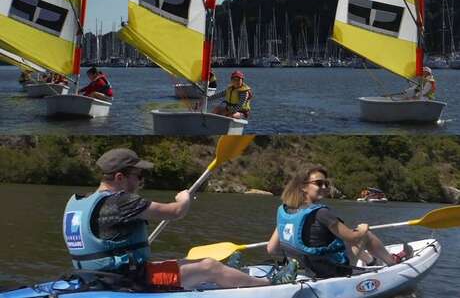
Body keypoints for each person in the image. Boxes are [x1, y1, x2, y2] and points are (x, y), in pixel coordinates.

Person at [62, 148, 288, 290]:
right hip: (130, 282)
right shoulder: (121, 201)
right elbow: (176, 211)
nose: (141, 182)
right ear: (120, 177)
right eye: (138, 176)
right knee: (209, 266)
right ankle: (268, 285)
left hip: (93, 278)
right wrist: (184, 197)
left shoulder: (79, 203)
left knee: (186, 262)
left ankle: (232, 275)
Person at [267, 166, 412, 279]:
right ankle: (393, 263)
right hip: (328, 270)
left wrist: (298, 254)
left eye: (326, 183)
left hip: (303, 267)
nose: (324, 187)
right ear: (303, 186)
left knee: (341, 240)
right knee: (363, 235)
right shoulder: (322, 213)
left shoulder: (284, 211)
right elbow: (353, 237)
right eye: (319, 183)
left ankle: (371, 262)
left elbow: (272, 249)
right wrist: (363, 228)